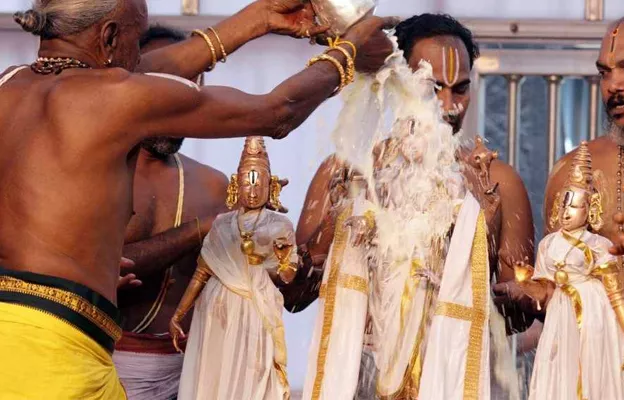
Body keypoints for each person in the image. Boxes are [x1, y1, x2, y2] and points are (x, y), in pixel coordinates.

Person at [0, 0, 395, 397]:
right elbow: (279, 111)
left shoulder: (9, 83)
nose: (140, 60)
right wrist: (348, 52)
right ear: (109, 37)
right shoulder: (114, 96)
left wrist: (259, 18)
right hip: (54, 358)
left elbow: (146, 73)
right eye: (137, 43)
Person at [291, 14, 535, 399]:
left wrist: (489, 244)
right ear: (397, 83)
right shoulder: (349, 170)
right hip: (360, 375)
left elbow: (518, 318)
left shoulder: (496, 181)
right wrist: (331, 225)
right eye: (432, 87)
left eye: (461, 89)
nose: (449, 105)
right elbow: (294, 297)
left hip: (453, 373)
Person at [112, 25, 229, 400]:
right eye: (164, 87)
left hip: (190, 370)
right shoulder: (96, 176)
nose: (175, 104)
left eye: (189, 91)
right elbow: (108, 268)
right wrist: (202, 228)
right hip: (104, 364)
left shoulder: (213, 183)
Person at [543, 10, 624, 398]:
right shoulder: (576, 172)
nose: (613, 85)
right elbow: (555, 296)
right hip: (602, 374)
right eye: (605, 72)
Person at [169, 137, 298, 400]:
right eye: (246, 183)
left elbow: (286, 276)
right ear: (236, 186)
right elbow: (201, 273)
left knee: (254, 376)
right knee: (213, 378)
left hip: (255, 311)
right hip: (216, 313)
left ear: (270, 186)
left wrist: (275, 260)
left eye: (258, 183)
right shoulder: (221, 224)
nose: (251, 191)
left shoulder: (280, 226)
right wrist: (178, 314)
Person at [520, 142, 624, 399]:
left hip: (596, 317)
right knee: (559, 375)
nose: (566, 212)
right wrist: (525, 282)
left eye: (574, 206)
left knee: (593, 376)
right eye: (564, 206)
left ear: (590, 209)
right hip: (559, 318)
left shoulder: (598, 245)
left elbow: (616, 297)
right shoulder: (548, 245)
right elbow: (545, 291)